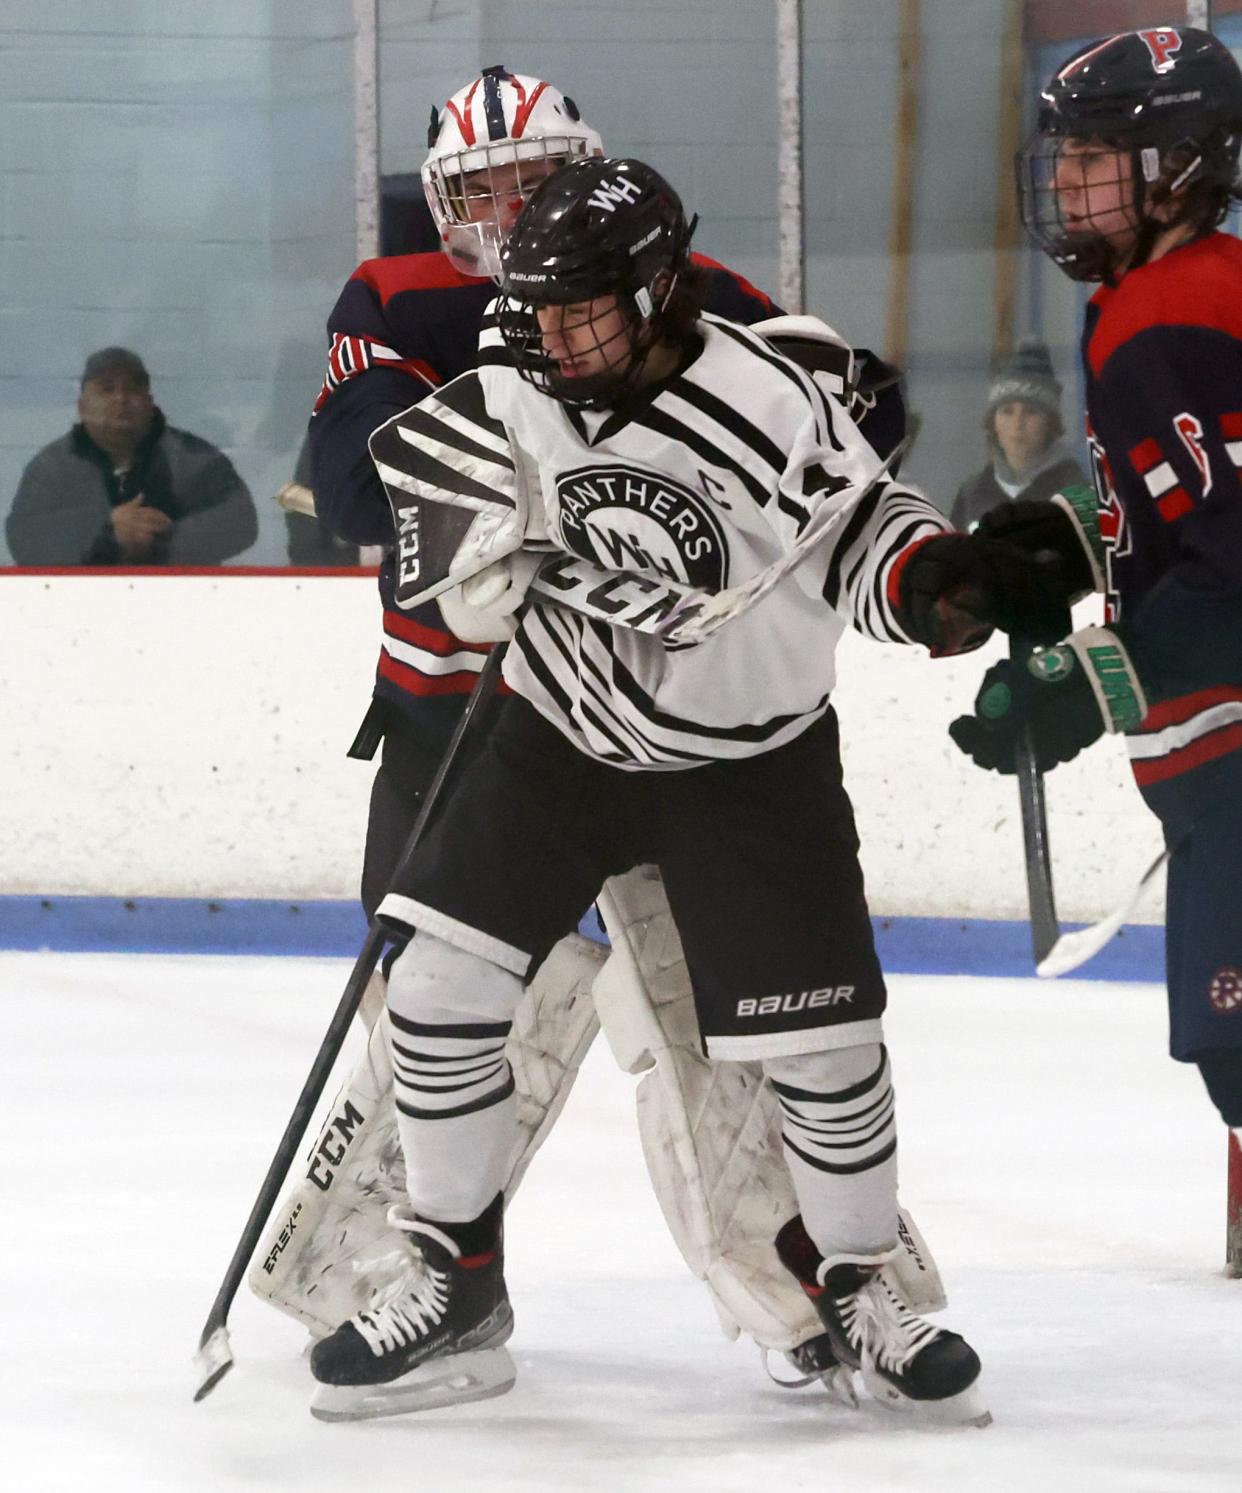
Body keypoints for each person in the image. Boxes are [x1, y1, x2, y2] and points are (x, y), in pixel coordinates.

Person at [306, 155, 1000, 1426]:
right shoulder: (517, 373)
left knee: (824, 1048)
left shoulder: (771, 397)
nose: (555, 336)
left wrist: (935, 587)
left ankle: (858, 1284)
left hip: (746, 761)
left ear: (659, 287)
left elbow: (860, 535)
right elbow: (423, 498)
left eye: (585, 310)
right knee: (439, 980)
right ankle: (456, 1281)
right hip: (555, 729)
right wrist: (465, 561)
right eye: (541, 308)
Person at [948, 27, 1242, 1142]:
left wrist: (1086, 679)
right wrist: (1060, 539)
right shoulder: (1167, 292)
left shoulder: (1173, 317)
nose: (1063, 181)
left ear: (1172, 167)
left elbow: (1234, 563)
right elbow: (1191, 509)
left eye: (1092, 156)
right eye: (1062, 155)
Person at [6, 347, 257, 565]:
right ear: (82, 406)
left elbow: (241, 522)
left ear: (150, 402)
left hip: (183, 605)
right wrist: (107, 529)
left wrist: (167, 538)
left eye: (133, 389)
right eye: (107, 389)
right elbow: (24, 537)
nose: (121, 399)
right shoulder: (52, 466)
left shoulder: (193, 458)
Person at [950, 337, 1087, 532]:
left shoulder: (1075, 493)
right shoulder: (971, 494)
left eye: (1031, 411)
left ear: (1051, 423)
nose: (1017, 424)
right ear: (993, 422)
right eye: (1007, 411)